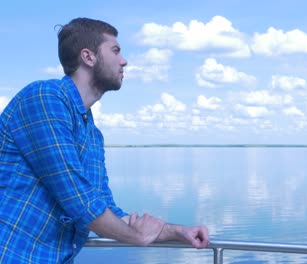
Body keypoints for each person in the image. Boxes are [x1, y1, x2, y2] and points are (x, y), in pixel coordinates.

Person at [0, 17, 209, 263]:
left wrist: (175, 231)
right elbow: (80, 202)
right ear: (88, 57)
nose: (124, 61)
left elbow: (105, 208)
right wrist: (136, 237)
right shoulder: (45, 98)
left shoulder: (93, 134)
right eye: (116, 51)